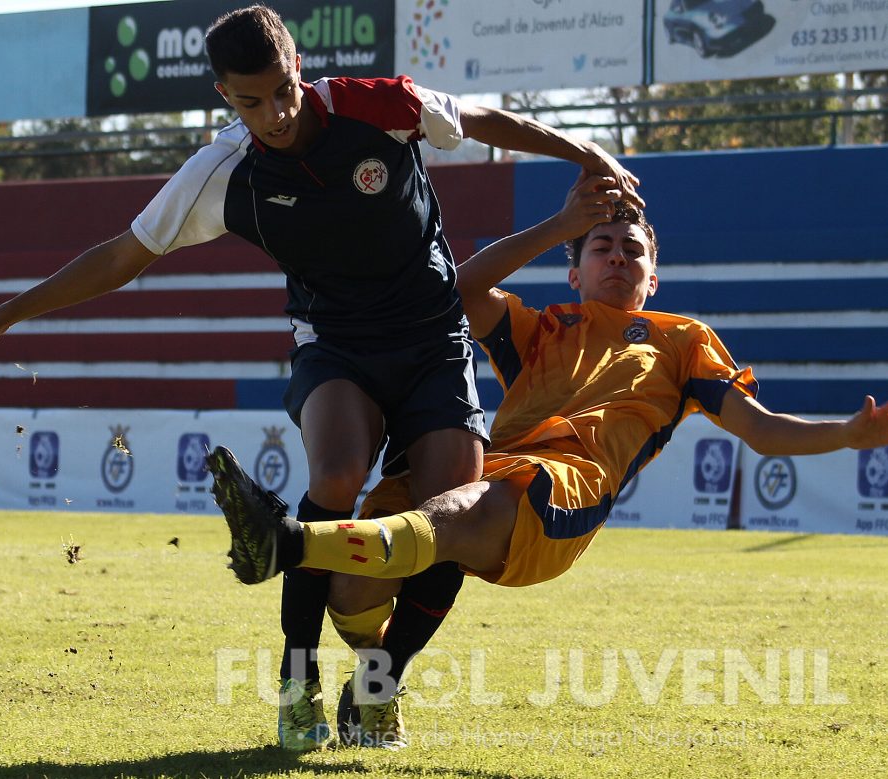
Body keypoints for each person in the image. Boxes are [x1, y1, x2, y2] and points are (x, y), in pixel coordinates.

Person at [0, 4, 640, 752]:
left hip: (433, 337)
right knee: (336, 478)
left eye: (282, 89)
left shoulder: (382, 105)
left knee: (452, 514)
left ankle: (378, 689)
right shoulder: (222, 170)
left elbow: (479, 118)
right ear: (223, 96)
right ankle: (296, 681)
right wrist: (3, 316)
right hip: (335, 343)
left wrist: (582, 152)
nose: (273, 112)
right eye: (251, 100)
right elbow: (122, 255)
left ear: (298, 67)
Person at [206, 174, 888, 748]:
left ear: (653, 275)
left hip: (564, 491)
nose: (617, 256)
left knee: (451, 508)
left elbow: (762, 431)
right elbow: (459, 291)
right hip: (495, 469)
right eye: (601, 245)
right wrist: (556, 221)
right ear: (575, 268)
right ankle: (375, 688)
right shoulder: (544, 326)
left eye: (632, 249)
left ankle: (285, 543)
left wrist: (849, 433)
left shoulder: (684, 341)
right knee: (354, 586)